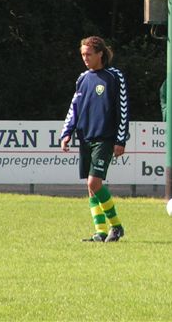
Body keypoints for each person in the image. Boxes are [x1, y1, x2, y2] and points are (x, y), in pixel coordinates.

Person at [60, 36, 130, 242]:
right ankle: (100, 231)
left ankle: (116, 226)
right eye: (82, 54)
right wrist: (67, 132)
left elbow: (123, 108)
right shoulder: (82, 79)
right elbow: (74, 107)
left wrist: (120, 139)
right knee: (90, 187)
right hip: (86, 137)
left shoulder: (115, 76)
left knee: (95, 182)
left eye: (89, 54)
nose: (85, 58)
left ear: (100, 54)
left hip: (105, 138)